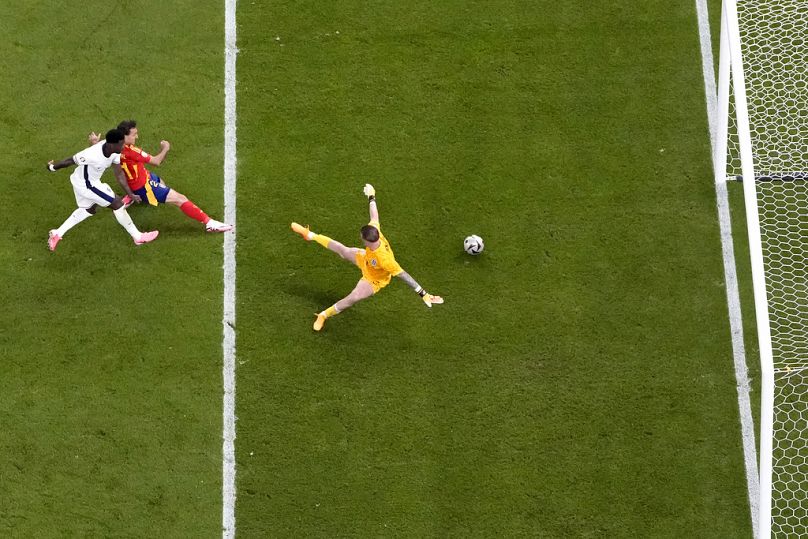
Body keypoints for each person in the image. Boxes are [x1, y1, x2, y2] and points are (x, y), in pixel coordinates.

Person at [291, 184, 443, 331]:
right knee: (342, 250)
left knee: (354, 297)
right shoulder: (375, 232)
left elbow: (404, 275)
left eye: (361, 238)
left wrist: (423, 293)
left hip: (374, 279)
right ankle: (310, 235)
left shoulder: (385, 260)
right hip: (366, 259)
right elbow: (374, 215)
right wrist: (372, 196)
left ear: (367, 241)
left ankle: (323, 315)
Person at [89, 120, 233, 233]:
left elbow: (101, 150)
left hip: (141, 177)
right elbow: (157, 161)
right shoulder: (133, 151)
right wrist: (165, 148)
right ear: (125, 136)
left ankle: (130, 196)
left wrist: (94, 142)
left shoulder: (112, 144)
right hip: (143, 186)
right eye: (134, 134)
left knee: (162, 183)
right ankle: (209, 223)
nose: (137, 136)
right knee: (179, 198)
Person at [46, 128, 159, 251]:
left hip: (86, 182)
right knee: (117, 204)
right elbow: (69, 161)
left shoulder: (114, 150)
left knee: (89, 209)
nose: (124, 147)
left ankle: (57, 233)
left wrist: (130, 194)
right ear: (112, 144)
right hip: (87, 185)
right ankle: (138, 236)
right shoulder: (91, 154)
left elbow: (119, 174)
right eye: (121, 145)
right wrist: (51, 167)